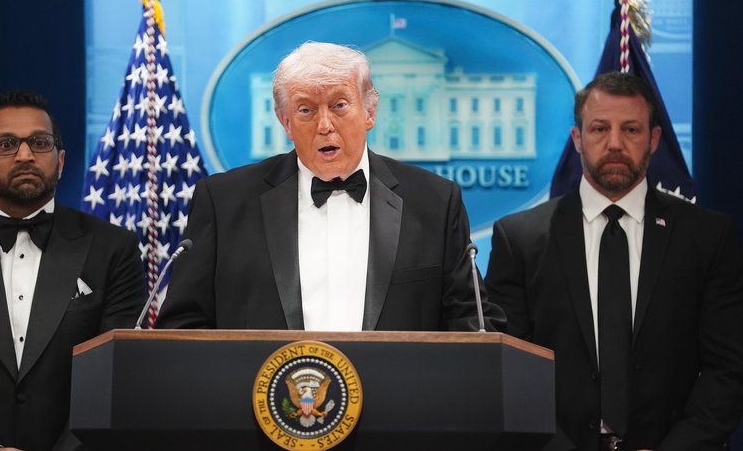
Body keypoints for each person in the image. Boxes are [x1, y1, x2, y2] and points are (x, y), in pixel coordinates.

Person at [157, 41, 505, 332]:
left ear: (369, 112)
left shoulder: (433, 202)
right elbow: (184, 325)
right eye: (306, 110)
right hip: (257, 407)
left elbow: (472, 323)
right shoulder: (225, 202)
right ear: (286, 122)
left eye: (339, 105)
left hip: (398, 409)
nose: (325, 125)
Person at [484, 72, 743, 451]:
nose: (615, 143)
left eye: (632, 130)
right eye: (600, 129)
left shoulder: (706, 237)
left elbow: (729, 367)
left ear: (654, 140)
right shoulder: (520, 238)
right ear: (578, 138)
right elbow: (511, 370)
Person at [0, 91, 145, 451]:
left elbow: (114, 377)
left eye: (40, 142)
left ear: (60, 161)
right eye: (5, 144)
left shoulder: (114, 248)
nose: (26, 154)